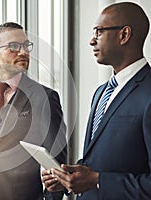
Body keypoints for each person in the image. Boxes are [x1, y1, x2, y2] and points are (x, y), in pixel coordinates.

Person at [42, 2, 151, 199]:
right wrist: (67, 180)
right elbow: (97, 161)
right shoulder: (101, 92)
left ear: (124, 35)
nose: (92, 41)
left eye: (99, 32)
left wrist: (98, 180)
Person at [0, 22, 67, 200]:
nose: (23, 52)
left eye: (26, 45)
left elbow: (56, 159)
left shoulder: (45, 97)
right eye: (14, 47)